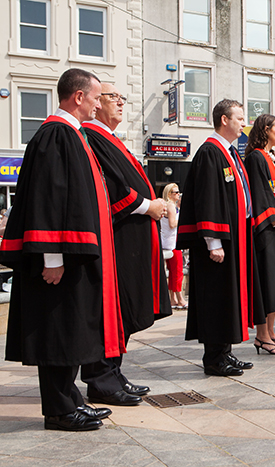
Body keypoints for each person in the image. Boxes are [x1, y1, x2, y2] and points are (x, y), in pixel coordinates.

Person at [0, 68, 121, 431]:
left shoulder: (73, 135)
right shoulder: (56, 135)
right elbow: (48, 199)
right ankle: (59, 410)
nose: (100, 104)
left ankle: (70, 400)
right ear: (78, 97)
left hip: (72, 257)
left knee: (71, 331)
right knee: (58, 332)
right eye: (97, 97)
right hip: (59, 259)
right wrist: (52, 256)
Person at [81, 83, 171, 406]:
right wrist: (150, 206)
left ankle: (113, 372)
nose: (120, 103)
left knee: (126, 308)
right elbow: (114, 187)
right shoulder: (91, 136)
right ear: (95, 103)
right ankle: (101, 378)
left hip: (132, 238)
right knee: (114, 307)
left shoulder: (110, 137)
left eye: (122, 98)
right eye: (112, 98)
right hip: (118, 238)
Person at [176, 99, 256, 375]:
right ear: (224, 119)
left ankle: (226, 351)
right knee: (217, 298)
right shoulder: (210, 152)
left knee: (229, 297)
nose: (243, 124)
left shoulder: (230, 153)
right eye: (239, 118)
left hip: (235, 239)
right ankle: (214, 358)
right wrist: (213, 241)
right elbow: (207, 199)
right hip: (219, 242)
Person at [244, 114, 275, 350]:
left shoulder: (271, 158)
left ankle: (271, 332)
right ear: (266, 130)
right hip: (266, 230)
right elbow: (260, 195)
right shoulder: (256, 157)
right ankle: (262, 335)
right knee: (266, 282)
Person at [161, 183, 187, 308]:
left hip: (168, 241)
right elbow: (172, 224)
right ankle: (180, 298)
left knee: (172, 271)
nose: (178, 194)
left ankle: (173, 299)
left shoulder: (168, 205)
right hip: (172, 242)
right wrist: (182, 220)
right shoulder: (171, 206)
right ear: (169, 194)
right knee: (177, 271)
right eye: (176, 192)